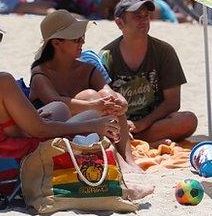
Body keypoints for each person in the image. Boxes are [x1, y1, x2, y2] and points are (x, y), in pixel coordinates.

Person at [0, 9, 154, 200]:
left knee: (59, 108)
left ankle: (122, 162)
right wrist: (93, 126)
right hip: (17, 164)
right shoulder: (1, 81)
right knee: (93, 117)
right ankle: (121, 188)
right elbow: (41, 131)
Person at [28, 10, 136, 167]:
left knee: (110, 103)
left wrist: (120, 102)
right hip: (56, 137)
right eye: (76, 39)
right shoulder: (40, 74)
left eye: (82, 37)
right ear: (56, 43)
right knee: (91, 96)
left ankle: (127, 157)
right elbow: (57, 102)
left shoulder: (88, 69)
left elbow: (108, 92)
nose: (82, 42)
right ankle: (117, 159)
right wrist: (95, 105)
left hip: (86, 131)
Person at [100, 0, 198, 145]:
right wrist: (123, 124)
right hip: (118, 122)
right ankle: (140, 140)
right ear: (120, 23)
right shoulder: (107, 56)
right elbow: (101, 101)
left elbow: (172, 102)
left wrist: (142, 124)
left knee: (188, 120)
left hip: (154, 123)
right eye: (136, 16)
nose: (144, 20)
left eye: (146, 15)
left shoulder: (164, 51)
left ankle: (137, 140)